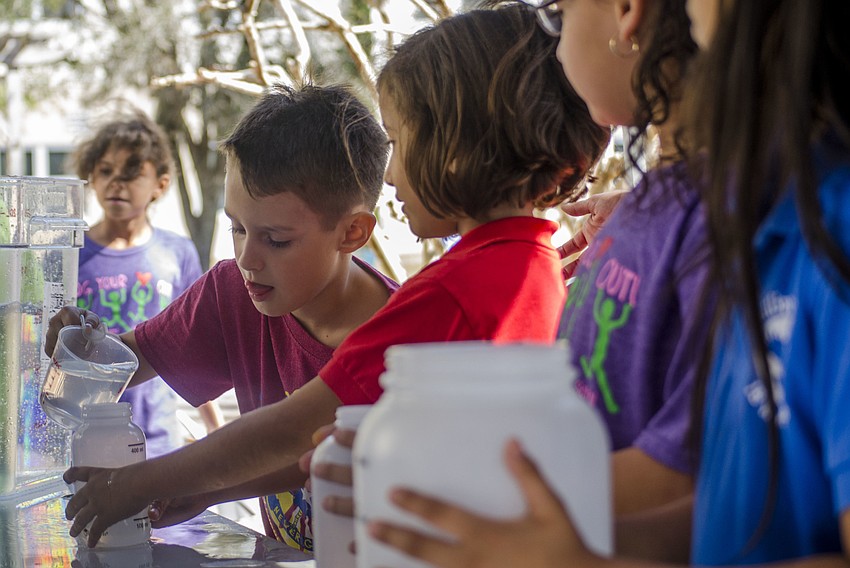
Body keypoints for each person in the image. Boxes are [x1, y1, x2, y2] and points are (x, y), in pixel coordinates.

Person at [58, 3, 609, 548]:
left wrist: (139, 483)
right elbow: (328, 449)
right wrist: (212, 487)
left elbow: (301, 426)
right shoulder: (538, 269)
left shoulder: (452, 294)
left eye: (399, 142)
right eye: (239, 230)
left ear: (458, 151)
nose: (390, 176)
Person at [367, 0, 850, 566]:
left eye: (558, 11)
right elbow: (725, 512)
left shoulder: (814, 230)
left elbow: (685, 475)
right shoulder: (769, 220)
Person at [51, 84, 397, 552]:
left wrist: (153, 481)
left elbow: (293, 441)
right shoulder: (234, 293)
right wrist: (83, 344)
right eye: (236, 227)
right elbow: (127, 361)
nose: (247, 258)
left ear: (352, 232)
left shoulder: (399, 341)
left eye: (276, 239)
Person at [71, 112, 222, 459]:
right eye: (106, 171)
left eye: (131, 174)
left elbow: (194, 343)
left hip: (155, 438)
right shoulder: (70, 252)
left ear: (161, 184)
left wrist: (214, 429)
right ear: (90, 175)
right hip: (81, 437)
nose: (116, 183)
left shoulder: (177, 252)